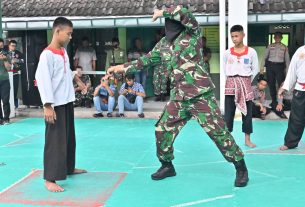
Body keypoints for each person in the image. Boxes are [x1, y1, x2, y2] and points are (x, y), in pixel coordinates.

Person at [108, 5, 249, 187]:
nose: (169, 26)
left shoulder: (193, 34)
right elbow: (145, 61)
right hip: (179, 98)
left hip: (200, 96)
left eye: (171, 20)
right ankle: (167, 165)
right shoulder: (163, 45)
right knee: (162, 129)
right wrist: (120, 67)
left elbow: (185, 13)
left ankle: (241, 167)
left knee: (219, 133)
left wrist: (163, 12)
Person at [35, 17, 87, 192]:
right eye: (69, 33)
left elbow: (65, 73)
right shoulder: (46, 55)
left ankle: (68, 168)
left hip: (66, 101)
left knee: (68, 138)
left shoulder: (63, 52)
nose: (70, 37)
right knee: (54, 141)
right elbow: (43, 81)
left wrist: (78, 80)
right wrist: (47, 105)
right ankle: (50, 178)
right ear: (58, 31)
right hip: (54, 104)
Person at [224, 25, 259, 148]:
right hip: (231, 86)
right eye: (232, 36)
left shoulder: (251, 52)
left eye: (236, 36)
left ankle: (247, 139)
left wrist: (245, 81)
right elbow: (225, 69)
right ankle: (228, 141)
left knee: (247, 114)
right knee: (228, 114)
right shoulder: (227, 53)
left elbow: (255, 69)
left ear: (243, 35)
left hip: (246, 85)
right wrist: (234, 80)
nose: (234, 39)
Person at [278, 45, 305, 151]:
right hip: (300, 90)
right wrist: (284, 87)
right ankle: (290, 143)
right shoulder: (300, 50)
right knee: (296, 118)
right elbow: (292, 70)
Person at [261, 32, 290, 109]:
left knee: (281, 84)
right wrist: (262, 68)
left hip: (280, 67)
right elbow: (264, 57)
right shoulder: (270, 46)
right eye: (276, 37)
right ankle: (274, 101)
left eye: (279, 37)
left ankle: (281, 101)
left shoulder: (285, 47)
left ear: (281, 38)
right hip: (270, 66)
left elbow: (287, 60)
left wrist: (288, 73)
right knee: (271, 84)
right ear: (274, 38)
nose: (277, 38)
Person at [7, 40, 24, 108]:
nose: (13, 47)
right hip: (7, 74)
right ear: (9, 45)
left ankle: (15, 105)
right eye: (12, 45)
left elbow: (23, 60)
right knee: (8, 89)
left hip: (15, 73)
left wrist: (16, 60)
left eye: (15, 46)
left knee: (15, 89)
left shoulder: (18, 53)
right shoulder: (5, 53)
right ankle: (9, 105)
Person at [0, 38, 11, 125]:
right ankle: (0, 119)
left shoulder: (6, 54)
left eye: (2, 46)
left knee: (5, 100)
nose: (1, 49)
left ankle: (6, 118)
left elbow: (8, 68)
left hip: (4, 80)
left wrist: (5, 60)